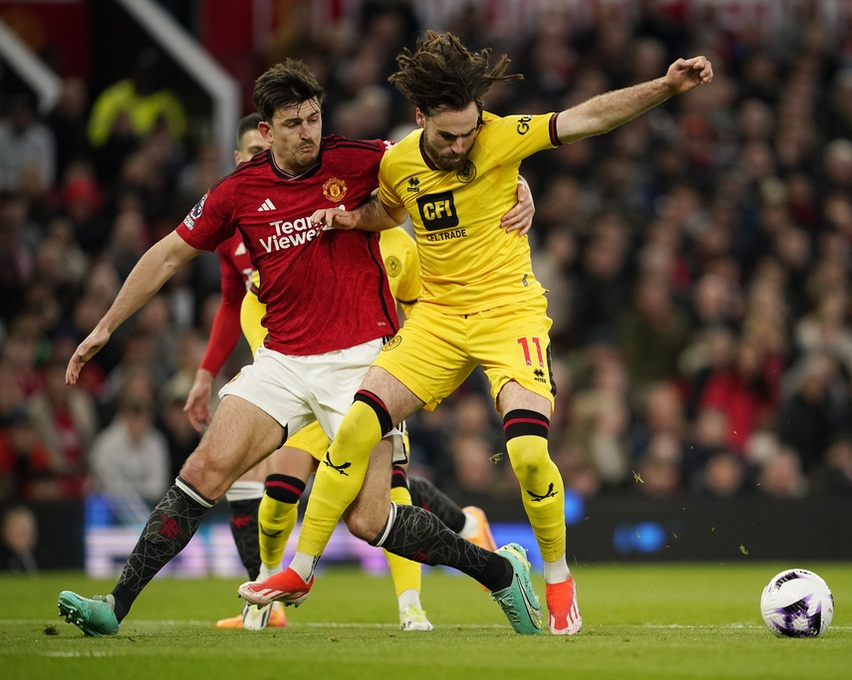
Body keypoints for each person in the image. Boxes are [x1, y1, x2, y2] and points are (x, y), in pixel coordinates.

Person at [242, 31, 713, 636]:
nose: (462, 145)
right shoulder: (398, 160)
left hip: (508, 312)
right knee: (358, 423)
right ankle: (301, 570)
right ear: (420, 120)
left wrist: (667, 87)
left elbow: (587, 117)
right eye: (448, 136)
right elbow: (391, 207)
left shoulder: (500, 137)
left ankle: (559, 578)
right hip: (437, 319)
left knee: (526, 451)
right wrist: (355, 216)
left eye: (469, 132)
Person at [57, 58, 538, 638]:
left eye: (313, 119)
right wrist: (107, 324)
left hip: (360, 361)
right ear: (266, 132)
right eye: (293, 124)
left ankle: (499, 572)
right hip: (282, 362)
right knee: (204, 469)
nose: (308, 132)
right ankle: (114, 605)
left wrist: (521, 185)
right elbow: (164, 255)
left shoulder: (361, 159)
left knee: (369, 519)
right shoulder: (237, 192)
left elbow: (449, 154)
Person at [192, 113, 518, 631]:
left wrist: (410, 369)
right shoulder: (249, 230)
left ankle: (413, 605)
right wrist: (211, 372)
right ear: (242, 160)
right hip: (296, 376)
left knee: (383, 498)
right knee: (279, 490)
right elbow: (237, 302)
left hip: (368, 375)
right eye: (255, 153)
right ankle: (265, 603)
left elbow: (422, 303)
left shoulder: (386, 240)